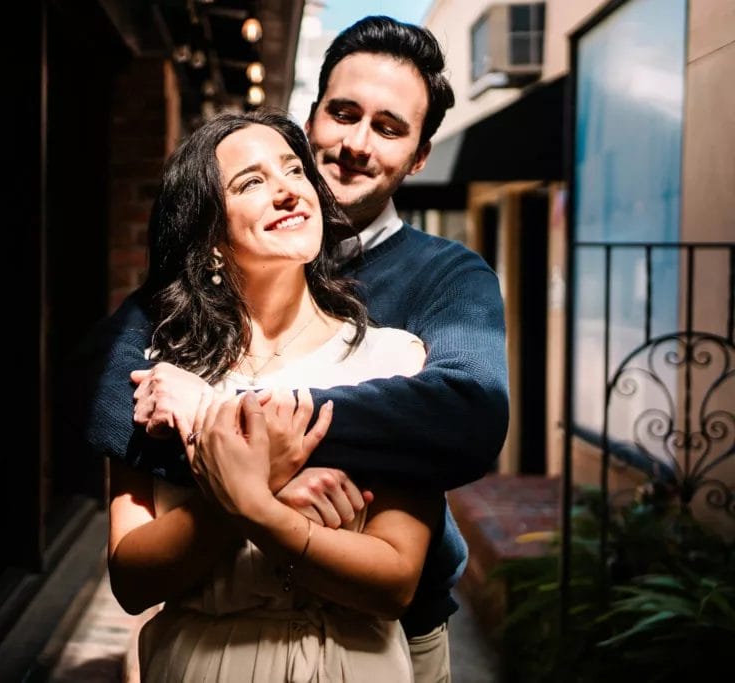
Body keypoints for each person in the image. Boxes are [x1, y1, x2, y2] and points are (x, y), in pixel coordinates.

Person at [83, 16, 508, 682]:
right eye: (342, 113)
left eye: (390, 127)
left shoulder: (444, 282)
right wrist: (258, 474)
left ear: (420, 155)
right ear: (311, 116)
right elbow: (113, 396)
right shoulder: (184, 313)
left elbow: (464, 418)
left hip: (385, 632)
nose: (356, 143)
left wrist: (229, 423)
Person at [109, 108, 440, 681]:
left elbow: (396, 582)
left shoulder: (394, 360)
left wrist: (255, 501)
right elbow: (131, 582)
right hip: (204, 664)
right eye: (252, 182)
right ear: (210, 237)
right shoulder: (159, 379)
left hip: (353, 663)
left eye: (294, 170)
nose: (288, 190)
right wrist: (262, 486)